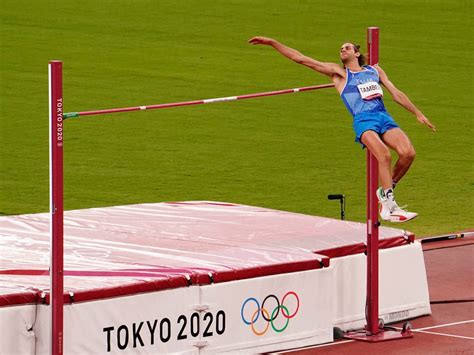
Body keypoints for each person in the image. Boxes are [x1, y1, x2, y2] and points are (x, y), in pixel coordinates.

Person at [248, 36, 436, 222]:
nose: (343, 49)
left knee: (408, 153)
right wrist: (273, 43)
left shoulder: (375, 71)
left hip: (383, 116)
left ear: (357, 53)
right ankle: (389, 206)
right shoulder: (339, 73)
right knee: (384, 155)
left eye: (347, 47)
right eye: (341, 48)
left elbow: (396, 93)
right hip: (363, 120)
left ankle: (386, 190)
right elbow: (300, 58)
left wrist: (417, 113)